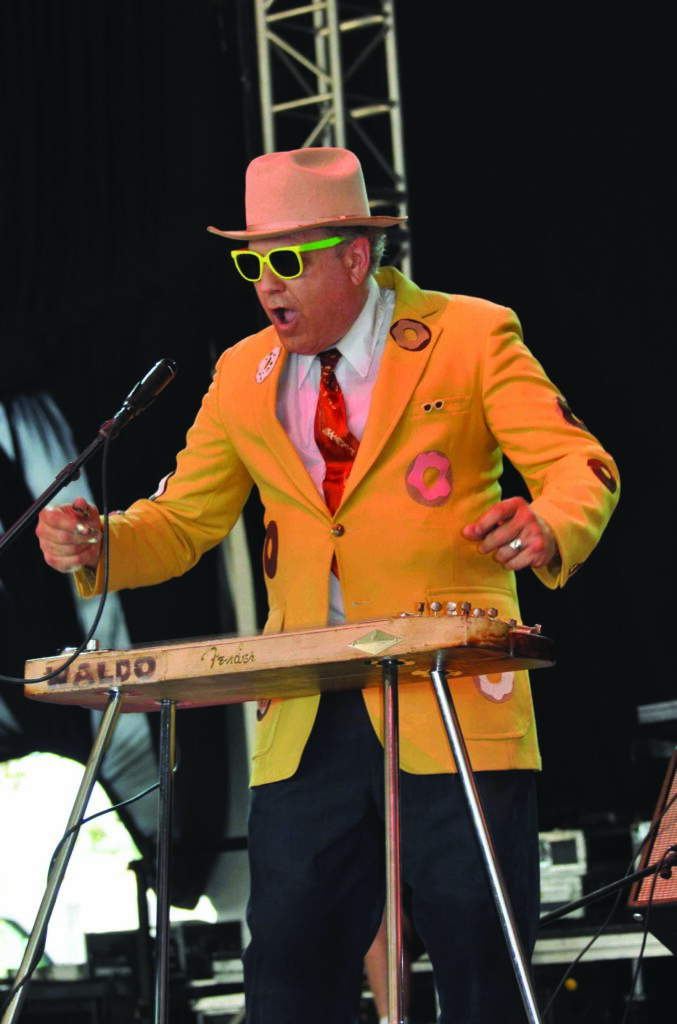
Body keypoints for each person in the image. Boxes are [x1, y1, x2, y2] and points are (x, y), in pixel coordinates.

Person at [36, 147, 619, 1023]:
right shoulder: (243, 374)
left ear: (353, 257)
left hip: (450, 692)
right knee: (287, 964)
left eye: (285, 260)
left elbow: (579, 464)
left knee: (478, 954)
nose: (266, 284)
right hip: (307, 710)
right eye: (252, 264)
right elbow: (184, 522)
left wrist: (547, 522)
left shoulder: (469, 334)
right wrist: (99, 543)